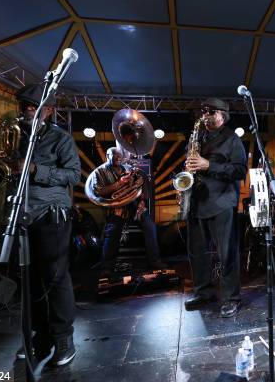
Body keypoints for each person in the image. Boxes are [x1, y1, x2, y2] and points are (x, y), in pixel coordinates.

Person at [13, 84, 81, 366]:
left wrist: (35, 169)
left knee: (55, 277)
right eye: (24, 106)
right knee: (28, 280)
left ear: (49, 110)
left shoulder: (59, 138)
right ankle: (38, 337)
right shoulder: (16, 137)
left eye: (33, 106)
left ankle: (63, 338)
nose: (28, 110)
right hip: (20, 212)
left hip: (51, 213)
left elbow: (74, 175)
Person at [183, 98, 247, 318]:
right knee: (197, 252)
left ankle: (232, 298)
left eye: (210, 111)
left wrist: (208, 165)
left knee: (226, 252)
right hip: (197, 201)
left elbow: (240, 171)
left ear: (222, 115)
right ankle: (204, 292)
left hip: (221, 202)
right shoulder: (197, 136)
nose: (205, 115)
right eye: (203, 111)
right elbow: (189, 163)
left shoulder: (232, 139)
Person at [86, 147, 166, 273]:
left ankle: (155, 260)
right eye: (115, 155)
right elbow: (99, 192)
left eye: (120, 155)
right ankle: (107, 266)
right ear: (107, 156)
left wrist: (141, 201)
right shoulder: (99, 172)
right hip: (115, 206)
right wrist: (119, 183)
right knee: (113, 230)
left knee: (150, 226)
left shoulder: (127, 168)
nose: (119, 158)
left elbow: (137, 185)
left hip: (133, 205)